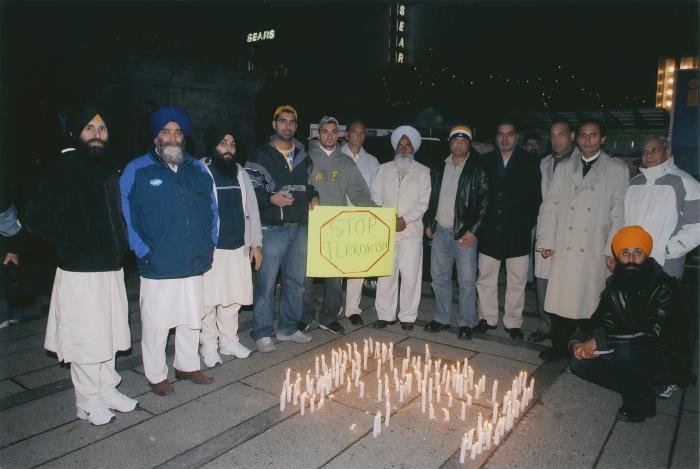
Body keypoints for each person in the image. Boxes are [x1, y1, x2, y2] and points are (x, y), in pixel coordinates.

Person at [27, 103, 136, 424]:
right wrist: (76, 239)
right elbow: (37, 217)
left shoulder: (108, 168)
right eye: (90, 128)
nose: (97, 135)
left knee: (110, 333)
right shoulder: (62, 168)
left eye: (102, 129)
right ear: (77, 132)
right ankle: (87, 401)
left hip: (111, 268)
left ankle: (107, 390)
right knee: (87, 337)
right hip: (80, 270)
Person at [121, 107, 217, 396]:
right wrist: (141, 248)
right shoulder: (137, 169)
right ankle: (155, 373)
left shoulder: (197, 168)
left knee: (192, 317)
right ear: (155, 137)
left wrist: (210, 241)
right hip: (158, 260)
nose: (172, 137)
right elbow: (124, 212)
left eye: (177, 132)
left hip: (192, 258)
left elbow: (212, 209)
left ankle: (186, 364)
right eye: (166, 132)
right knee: (156, 322)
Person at [569, 226, 691, 423]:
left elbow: (656, 333)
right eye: (625, 253)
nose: (632, 259)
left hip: (664, 357)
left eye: (638, 252)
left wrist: (602, 341)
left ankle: (638, 401)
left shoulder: (664, 286)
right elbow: (595, 322)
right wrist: (576, 343)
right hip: (627, 350)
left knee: (626, 351)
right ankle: (644, 388)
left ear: (647, 255)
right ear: (618, 256)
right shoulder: (615, 284)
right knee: (579, 363)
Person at [537, 117, 629, 361]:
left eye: (593, 135)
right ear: (577, 138)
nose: (587, 139)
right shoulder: (566, 166)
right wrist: (546, 240)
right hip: (566, 246)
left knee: (591, 302)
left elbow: (618, 212)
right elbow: (551, 205)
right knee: (560, 302)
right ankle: (560, 347)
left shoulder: (616, 169)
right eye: (583, 135)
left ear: (603, 139)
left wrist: (612, 249)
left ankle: (589, 348)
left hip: (593, 247)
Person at [244, 105, 317, 353]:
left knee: (296, 282)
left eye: (292, 122)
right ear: (274, 124)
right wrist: (270, 199)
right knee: (266, 283)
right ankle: (262, 331)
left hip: (300, 227)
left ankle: (287, 328)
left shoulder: (304, 155)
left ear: (296, 126)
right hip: (272, 228)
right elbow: (250, 190)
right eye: (282, 121)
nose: (287, 126)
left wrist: (314, 195)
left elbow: (309, 184)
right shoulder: (260, 155)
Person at [198, 122, 263, 368]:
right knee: (209, 300)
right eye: (223, 143)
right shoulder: (201, 171)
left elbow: (252, 210)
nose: (228, 149)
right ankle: (209, 346)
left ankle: (229, 340)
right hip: (212, 249)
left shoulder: (239, 172)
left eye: (232, 144)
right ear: (213, 145)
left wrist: (255, 243)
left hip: (238, 246)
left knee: (232, 298)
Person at [305, 116, 376, 335]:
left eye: (333, 132)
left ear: (339, 134)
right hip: (308, 225)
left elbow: (357, 192)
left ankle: (329, 317)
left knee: (334, 277)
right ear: (318, 133)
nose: (329, 135)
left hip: (335, 227)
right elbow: (299, 185)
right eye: (324, 131)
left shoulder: (346, 163)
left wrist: (376, 210)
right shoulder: (306, 157)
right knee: (304, 275)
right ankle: (305, 316)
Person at [475, 118, 541, 339]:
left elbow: (535, 199)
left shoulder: (530, 162)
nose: (505, 138)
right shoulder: (485, 161)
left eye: (509, 134)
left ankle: (513, 322)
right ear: (496, 138)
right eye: (501, 134)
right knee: (485, 278)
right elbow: (478, 196)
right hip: (489, 232)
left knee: (517, 280)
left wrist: (526, 224)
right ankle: (487, 318)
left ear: (516, 137)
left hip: (517, 232)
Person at [423, 126, 488, 339]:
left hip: (464, 234)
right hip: (440, 231)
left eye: (463, 140)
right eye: (455, 140)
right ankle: (441, 318)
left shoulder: (478, 167)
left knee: (467, 280)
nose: (458, 143)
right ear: (449, 142)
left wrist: (474, 231)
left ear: (469, 144)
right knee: (439, 278)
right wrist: (429, 223)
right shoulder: (439, 167)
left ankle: (466, 323)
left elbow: (485, 202)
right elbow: (430, 198)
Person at [371, 125, 431, 330]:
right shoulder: (383, 168)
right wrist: (388, 217)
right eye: (400, 145)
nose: (404, 149)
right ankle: (385, 315)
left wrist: (405, 219)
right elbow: (376, 196)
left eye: (408, 145)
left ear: (413, 149)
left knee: (410, 275)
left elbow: (423, 203)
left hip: (411, 231)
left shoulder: (423, 172)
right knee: (386, 274)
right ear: (395, 148)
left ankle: (407, 317)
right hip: (386, 229)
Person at [529, 118, 579, 342]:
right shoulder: (545, 163)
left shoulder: (582, 162)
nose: (557, 139)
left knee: (568, 282)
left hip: (571, 231)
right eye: (553, 135)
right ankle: (546, 324)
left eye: (562, 134)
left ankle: (568, 330)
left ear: (572, 136)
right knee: (543, 280)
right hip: (546, 228)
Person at [624, 135, 700, 279]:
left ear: (668, 152)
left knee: (661, 301)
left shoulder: (683, 182)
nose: (649, 155)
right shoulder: (634, 183)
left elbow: (698, 225)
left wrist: (669, 249)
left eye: (655, 150)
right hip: (631, 263)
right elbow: (625, 221)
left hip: (665, 266)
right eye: (645, 152)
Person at [340, 120, 380, 325]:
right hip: (336, 218)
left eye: (361, 133)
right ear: (347, 135)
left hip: (360, 219)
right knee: (335, 265)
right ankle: (334, 305)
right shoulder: (336, 156)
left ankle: (352, 309)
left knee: (356, 267)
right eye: (354, 132)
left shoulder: (372, 161)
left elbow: (375, 191)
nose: (357, 135)